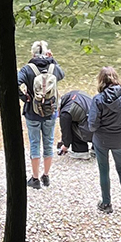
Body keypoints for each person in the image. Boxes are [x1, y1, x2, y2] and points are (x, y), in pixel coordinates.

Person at [87, 66, 121, 213]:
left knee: (104, 171)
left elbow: (92, 125)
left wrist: (100, 127)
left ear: (101, 81)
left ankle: (106, 203)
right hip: (120, 138)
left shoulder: (98, 99)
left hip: (102, 140)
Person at [16, 40, 65, 189]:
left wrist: (24, 97)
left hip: (32, 111)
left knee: (35, 143)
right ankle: (46, 176)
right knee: (49, 143)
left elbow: (15, 83)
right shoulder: (53, 68)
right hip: (50, 112)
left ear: (33, 53)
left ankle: (35, 178)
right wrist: (53, 59)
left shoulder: (27, 69)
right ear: (47, 53)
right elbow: (62, 75)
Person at [57, 87, 92, 156]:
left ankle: (80, 151)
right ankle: (95, 149)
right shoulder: (75, 93)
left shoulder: (65, 113)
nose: (57, 116)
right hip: (101, 131)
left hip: (91, 132)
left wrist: (65, 146)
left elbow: (66, 132)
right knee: (79, 118)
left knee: (71, 124)